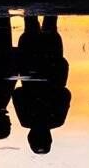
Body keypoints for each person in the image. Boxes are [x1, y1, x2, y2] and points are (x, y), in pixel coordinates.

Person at [12, 15, 71, 155]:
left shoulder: (57, 120)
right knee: (31, 22)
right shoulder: (26, 120)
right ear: (30, 138)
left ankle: (47, 3)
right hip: (30, 65)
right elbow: (17, 93)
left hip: (53, 66)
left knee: (50, 23)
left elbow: (66, 94)